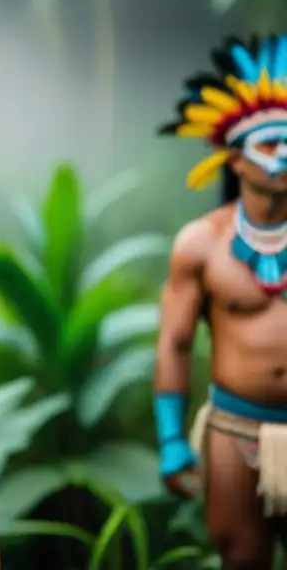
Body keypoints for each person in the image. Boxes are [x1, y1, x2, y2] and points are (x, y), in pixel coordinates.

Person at [155, 35, 287, 569]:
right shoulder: (200, 244)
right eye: (271, 144)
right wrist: (170, 439)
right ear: (235, 158)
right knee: (242, 558)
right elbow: (175, 342)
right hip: (236, 431)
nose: (285, 154)